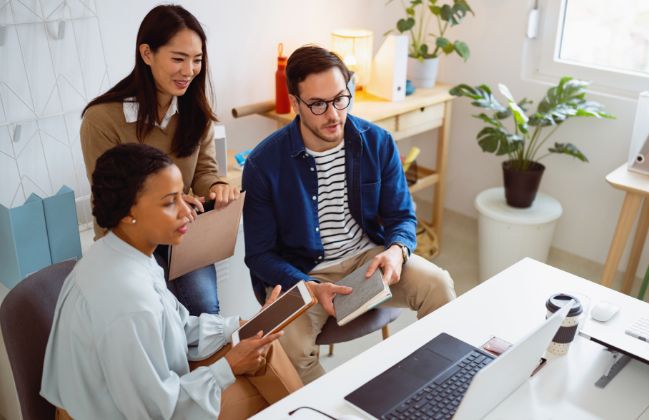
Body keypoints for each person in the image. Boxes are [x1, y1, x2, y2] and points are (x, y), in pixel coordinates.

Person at [242, 45, 457, 383]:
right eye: (317, 104)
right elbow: (259, 255)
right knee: (290, 351)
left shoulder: (377, 142)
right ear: (295, 104)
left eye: (341, 99)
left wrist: (397, 251)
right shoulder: (263, 164)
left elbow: (402, 216)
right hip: (305, 275)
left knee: (438, 284)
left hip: (368, 262)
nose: (333, 115)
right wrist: (310, 286)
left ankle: (436, 384)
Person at [41, 144, 303, 419]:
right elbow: (155, 411)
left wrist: (238, 327)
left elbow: (176, 325)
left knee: (261, 343)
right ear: (128, 212)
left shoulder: (124, 253)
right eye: (169, 202)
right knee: (264, 396)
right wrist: (228, 366)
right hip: (128, 412)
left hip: (138, 396)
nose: (187, 211)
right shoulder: (128, 300)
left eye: (183, 197)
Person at [79, 5, 240, 316]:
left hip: (183, 233)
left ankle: (209, 366)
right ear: (147, 54)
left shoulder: (195, 111)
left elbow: (205, 171)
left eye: (197, 60)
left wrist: (218, 185)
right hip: (129, 241)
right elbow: (111, 200)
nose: (189, 70)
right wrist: (178, 201)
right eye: (178, 59)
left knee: (205, 309)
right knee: (158, 318)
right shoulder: (101, 119)